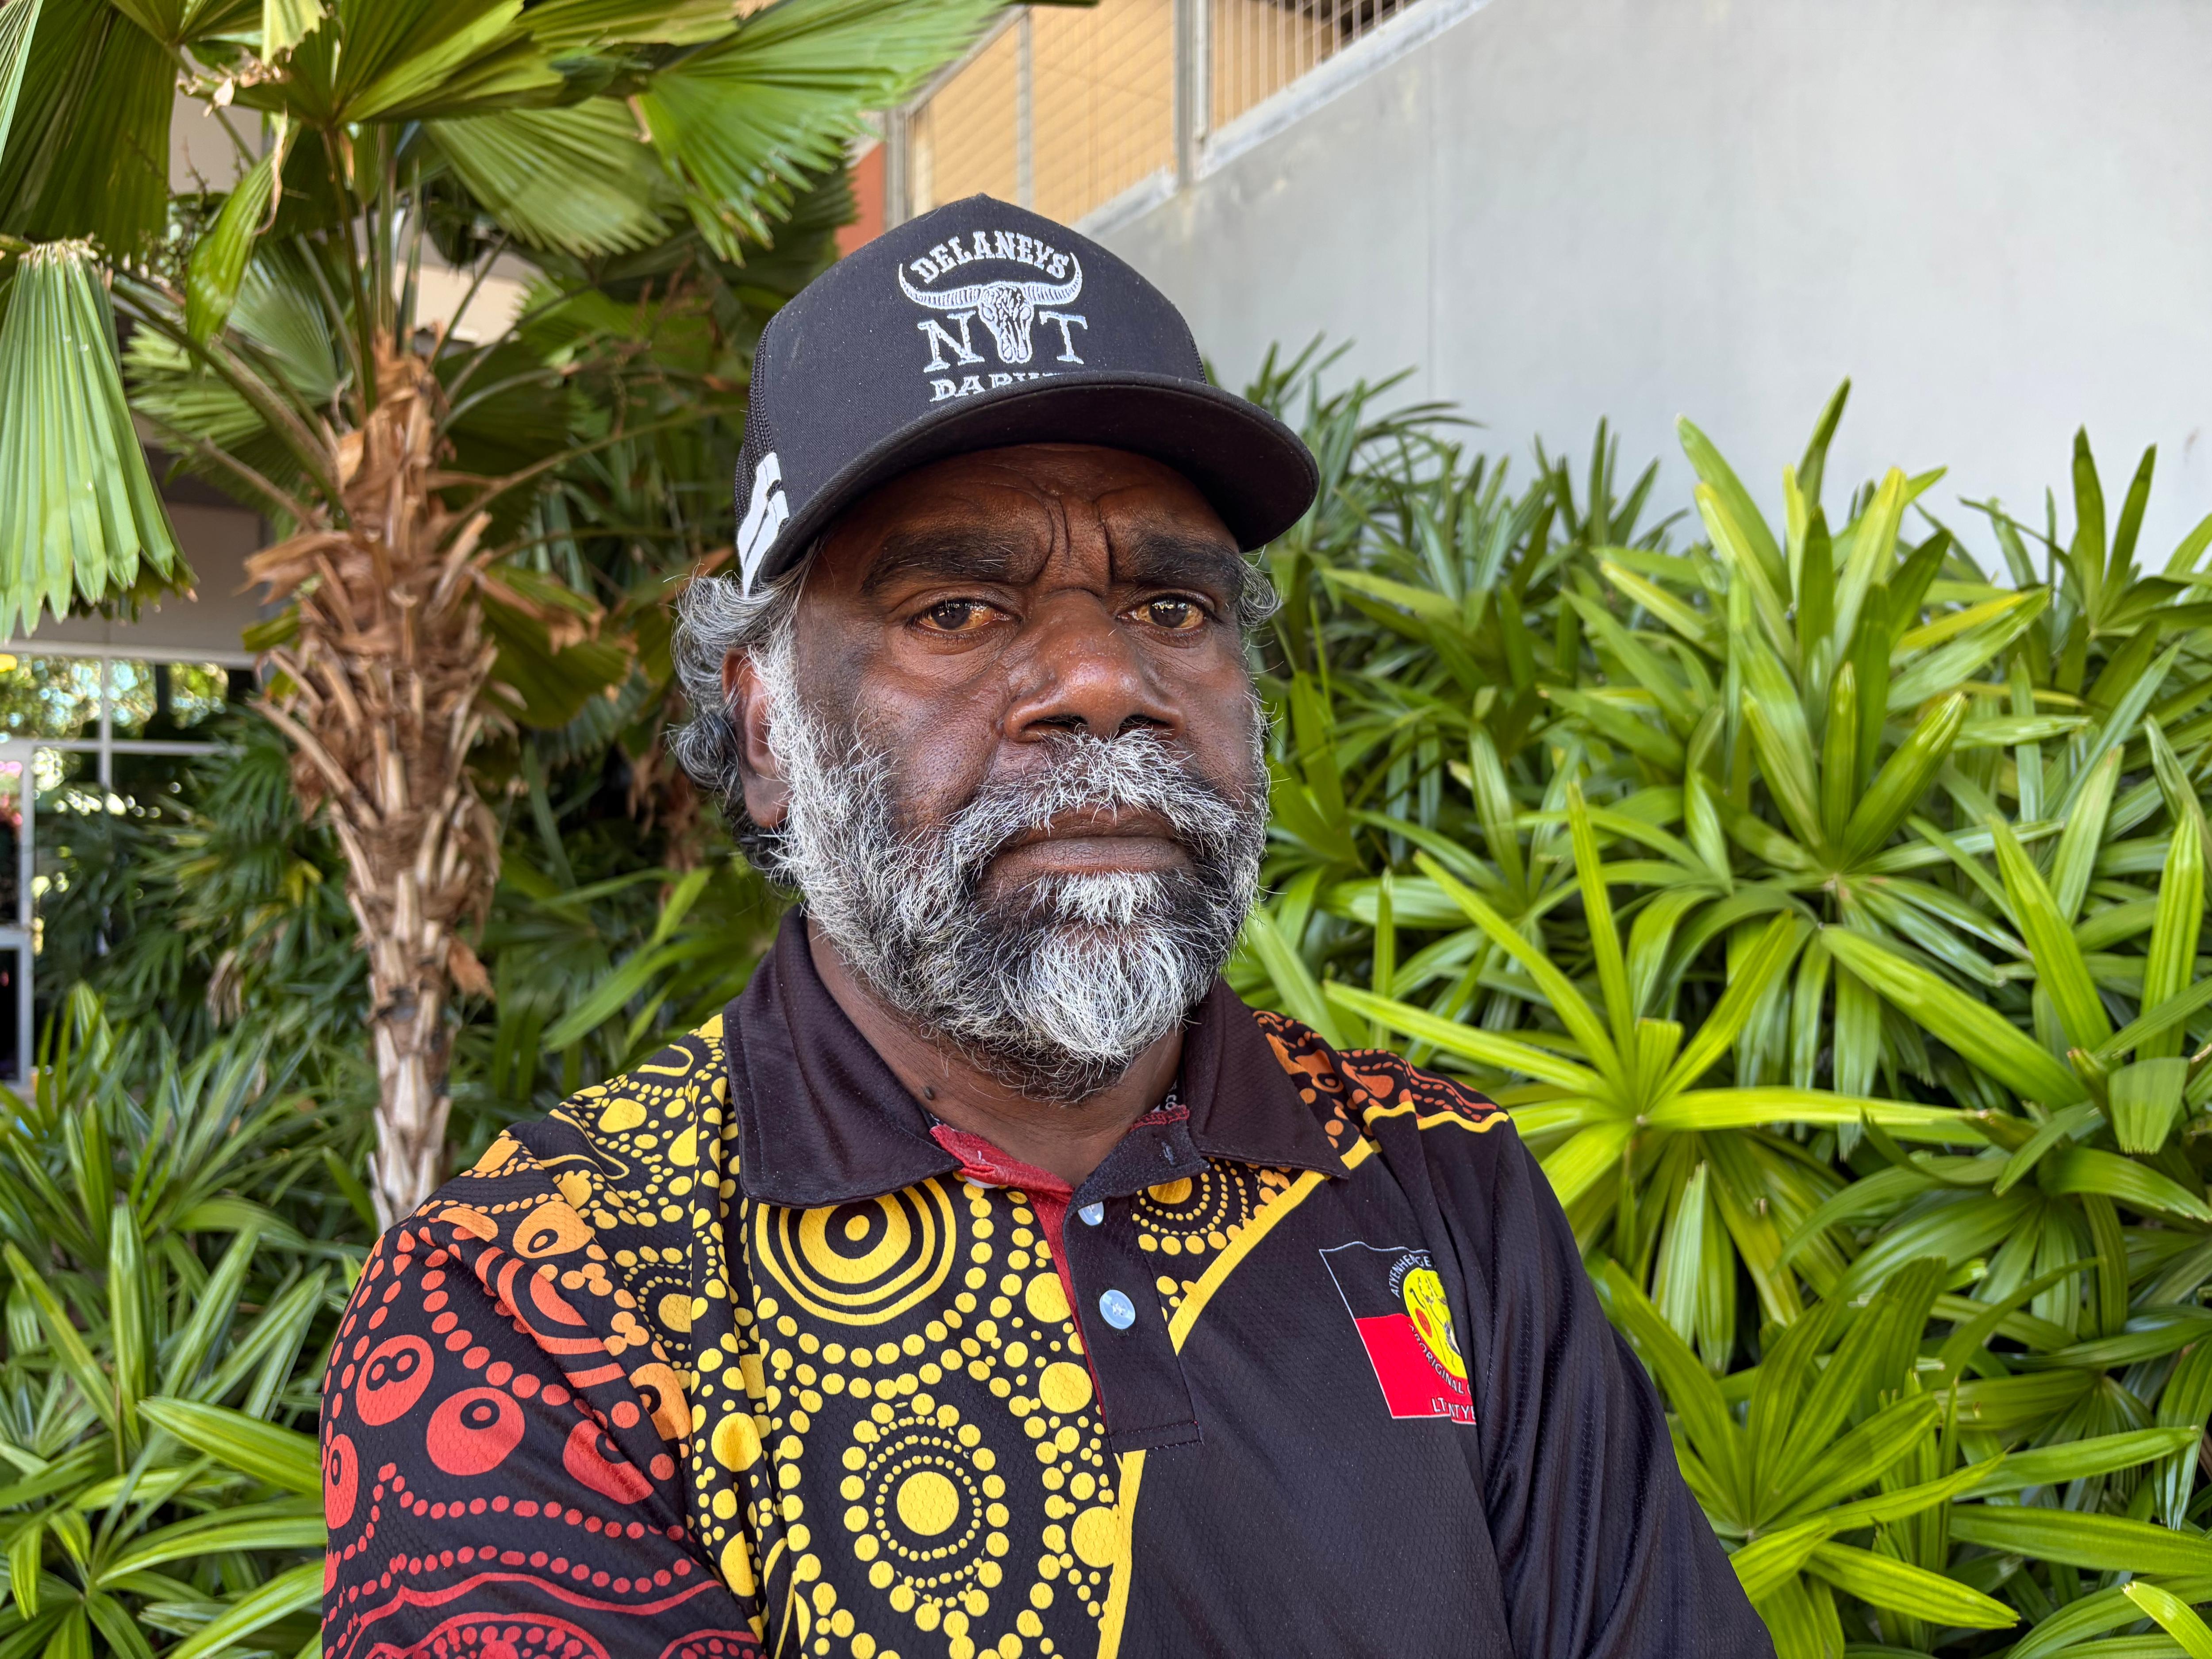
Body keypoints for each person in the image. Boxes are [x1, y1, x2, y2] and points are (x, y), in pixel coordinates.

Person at [319, 195, 1772, 1659]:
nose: (1099, 676)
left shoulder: (1443, 1188)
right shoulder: (535, 1305)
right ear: (765, 730)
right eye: (956, 609)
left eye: (1171, 605)